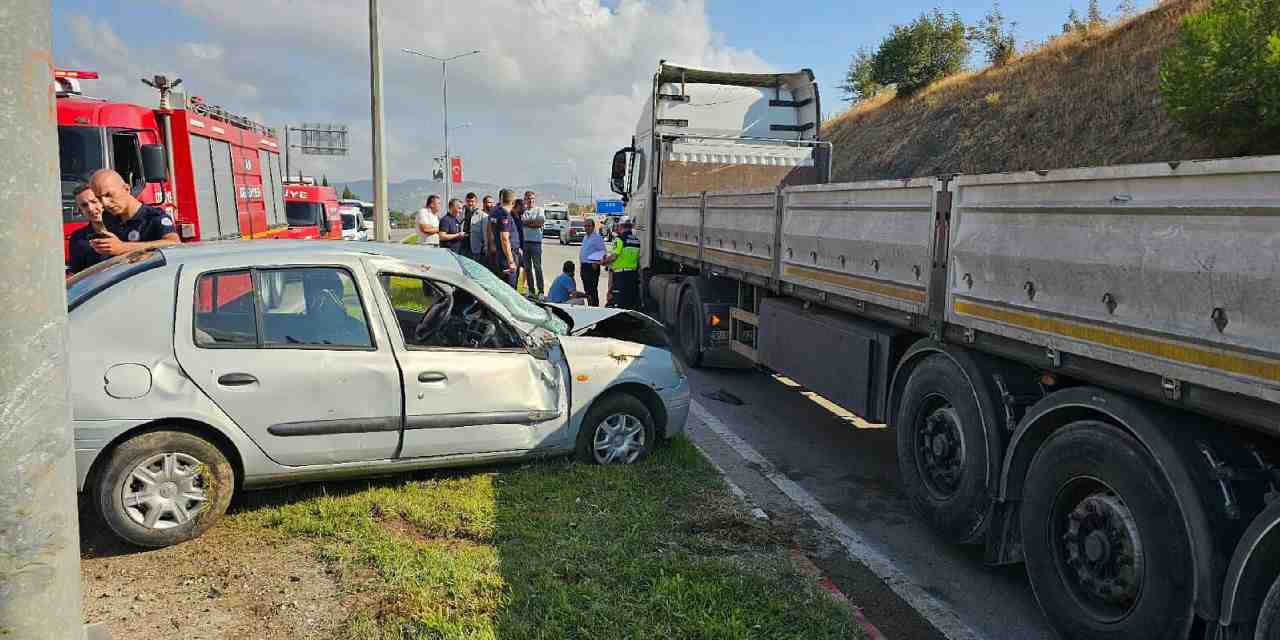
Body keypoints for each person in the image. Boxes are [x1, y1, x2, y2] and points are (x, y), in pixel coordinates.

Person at [88, 169, 180, 257]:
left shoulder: (154, 217)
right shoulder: (108, 218)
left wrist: (123, 247)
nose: (105, 203)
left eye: (108, 195)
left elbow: (174, 243)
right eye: (99, 198)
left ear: (126, 189)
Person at [66, 184, 111, 275]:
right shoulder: (78, 239)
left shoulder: (127, 228)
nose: (90, 208)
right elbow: (76, 276)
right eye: (84, 205)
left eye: (94, 201)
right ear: (80, 211)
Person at [603, 216, 642, 310]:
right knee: (630, 303)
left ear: (621, 226)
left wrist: (604, 261)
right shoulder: (636, 240)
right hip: (633, 275)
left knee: (619, 304)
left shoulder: (619, 239)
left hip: (621, 276)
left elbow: (614, 256)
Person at [489, 189, 521, 286]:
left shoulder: (495, 212)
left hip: (501, 253)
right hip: (507, 256)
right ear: (513, 202)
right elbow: (504, 238)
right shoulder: (505, 215)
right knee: (509, 287)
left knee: (502, 285)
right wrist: (511, 261)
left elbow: (491, 230)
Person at [519, 190, 546, 297]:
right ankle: (531, 290)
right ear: (525, 199)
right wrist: (532, 222)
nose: (530, 200)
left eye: (532, 198)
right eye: (528, 198)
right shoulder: (523, 211)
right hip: (525, 243)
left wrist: (527, 223)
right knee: (527, 268)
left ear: (535, 199)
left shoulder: (540, 210)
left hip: (536, 243)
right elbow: (522, 222)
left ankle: (541, 291)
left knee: (537, 267)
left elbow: (539, 223)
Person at [578, 217, 605, 307]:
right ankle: (590, 306)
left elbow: (602, 251)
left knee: (592, 289)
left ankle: (595, 307)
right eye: (585, 226)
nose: (586, 228)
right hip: (584, 266)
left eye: (588, 226)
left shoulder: (597, 238)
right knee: (587, 290)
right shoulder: (585, 237)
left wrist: (596, 262)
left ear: (593, 227)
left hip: (592, 267)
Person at [462, 192, 485, 260]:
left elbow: (484, 233)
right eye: (468, 201)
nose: (470, 203)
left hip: (476, 249)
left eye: (472, 201)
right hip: (464, 247)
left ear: (476, 202)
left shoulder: (482, 215)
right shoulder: (461, 214)